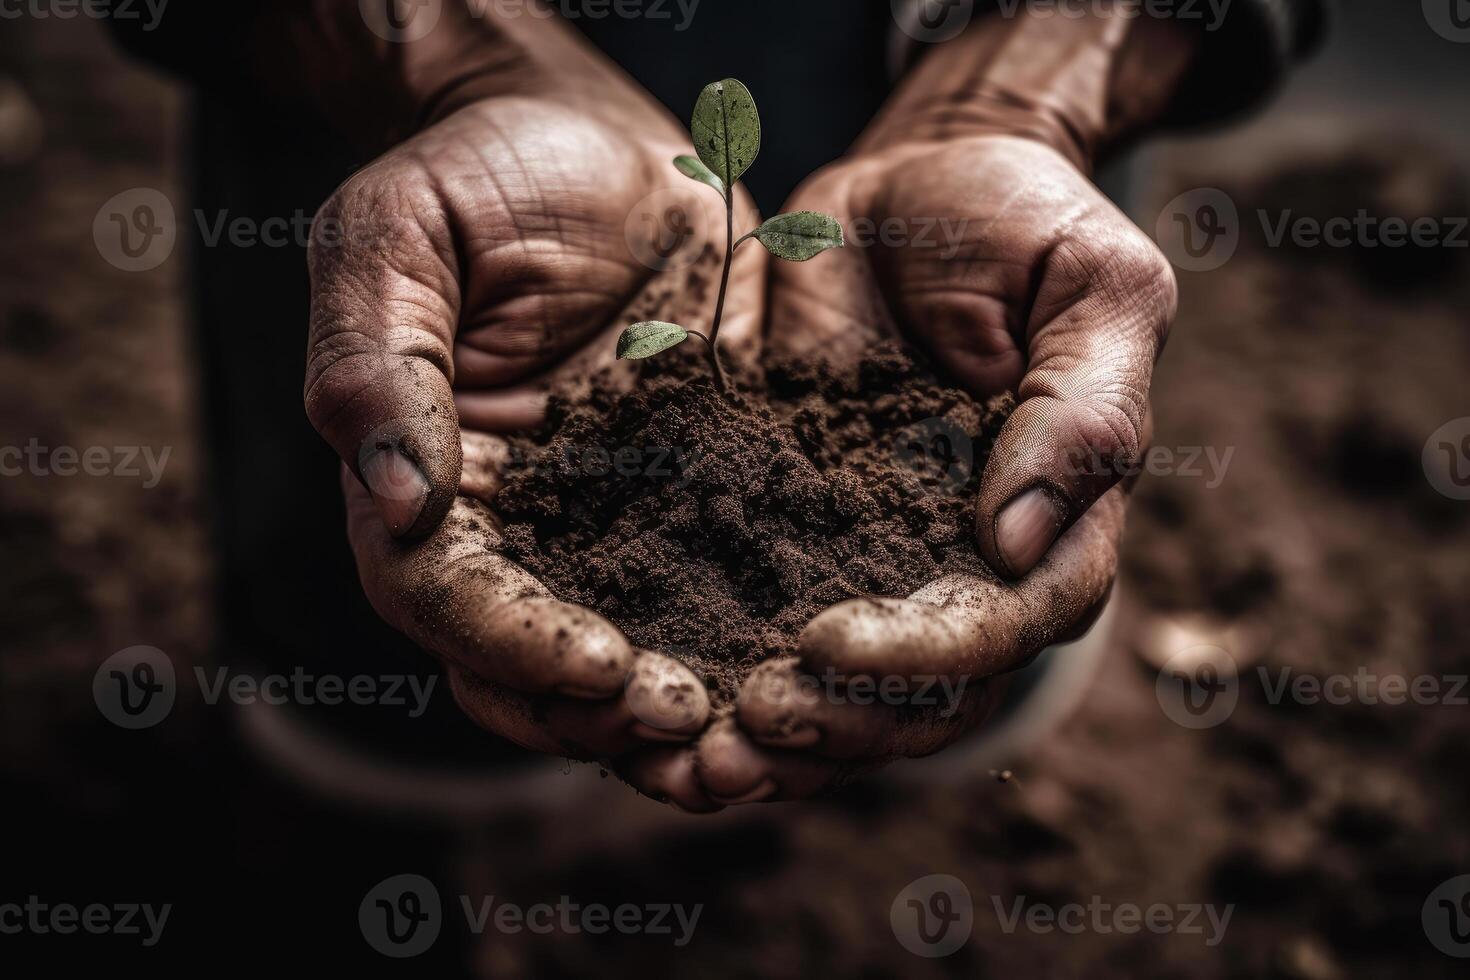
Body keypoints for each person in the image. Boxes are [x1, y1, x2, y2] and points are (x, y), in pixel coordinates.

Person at [109, 0, 1326, 810]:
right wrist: (447, 56)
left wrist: (1029, 93)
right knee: (390, 706)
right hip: (424, 157)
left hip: (961, 130)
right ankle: (390, 763)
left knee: (963, 602)